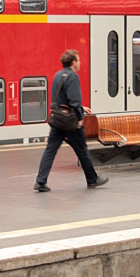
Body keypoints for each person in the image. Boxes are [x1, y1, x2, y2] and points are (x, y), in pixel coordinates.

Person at [34, 49, 108, 192]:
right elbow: (74, 99)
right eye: (78, 60)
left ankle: (40, 181)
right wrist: (79, 117)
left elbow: (61, 98)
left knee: (50, 150)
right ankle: (92, 179)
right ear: (73, 62)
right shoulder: (73, 76)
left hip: (57, 120)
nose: (80, 63)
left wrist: (81, 106)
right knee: (82, 149)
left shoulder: (58, 75)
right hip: (70, 121)